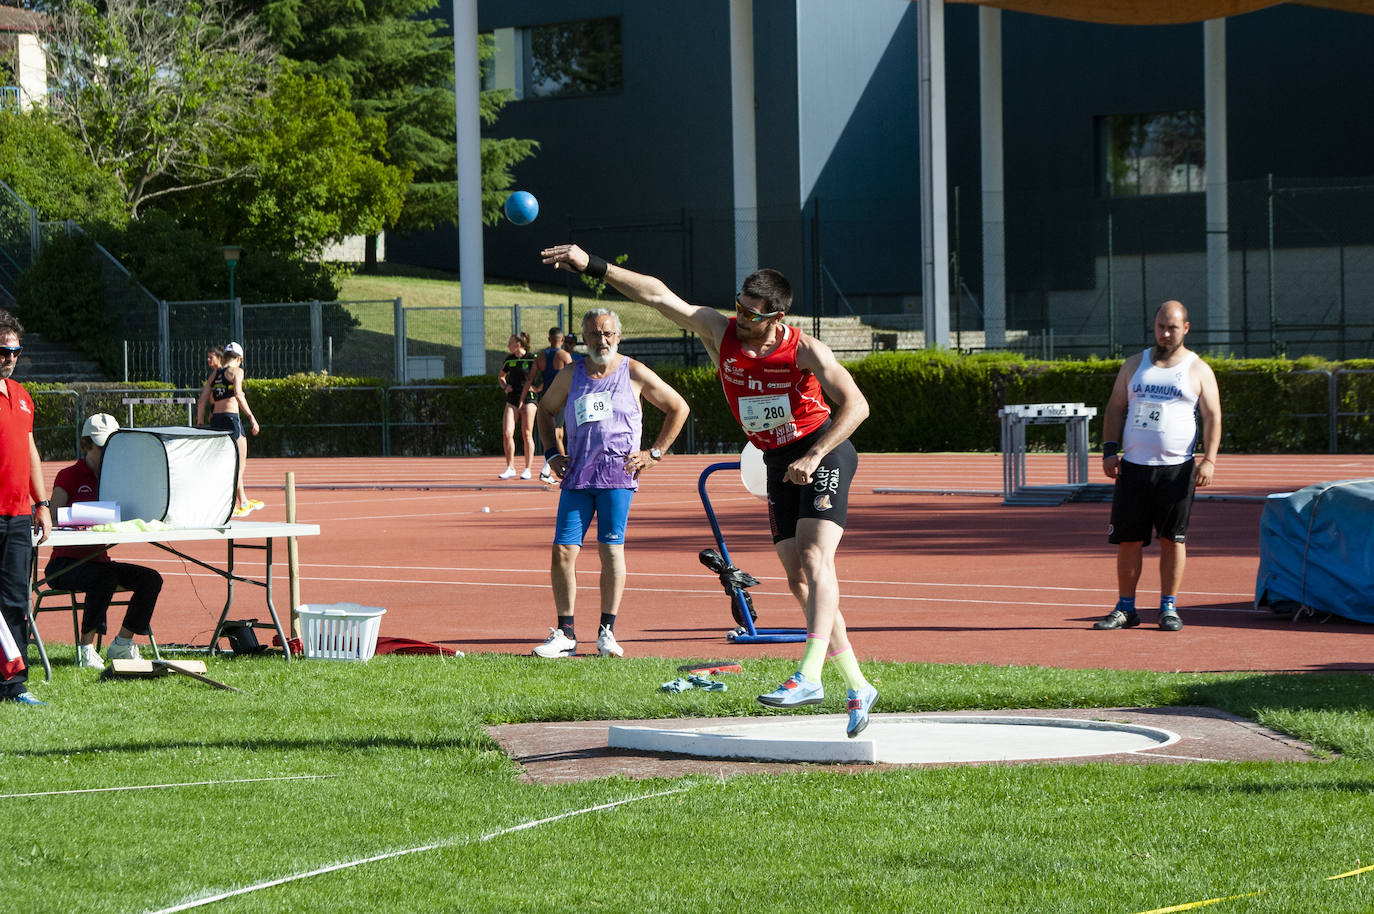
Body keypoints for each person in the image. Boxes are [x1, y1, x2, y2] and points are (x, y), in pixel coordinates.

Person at [540, 244, 879, 737]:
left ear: (776, 316)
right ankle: (857, 684)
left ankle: (808, 675)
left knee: (813, 560)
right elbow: (658, 295)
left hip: (821, 452)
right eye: (737, 305)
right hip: (777, 460)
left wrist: (812, 454)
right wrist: (592, 264)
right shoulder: (721, 332)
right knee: (798, 580)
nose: (738, 316)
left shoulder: (805, 349)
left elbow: (857, 406)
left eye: (750, 312)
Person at [530, 308, 689, 659]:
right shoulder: (572, 374)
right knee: (562, 551)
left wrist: (655, 453)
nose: (601, 340)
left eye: (607, 333)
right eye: (593, 334)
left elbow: (679, 407)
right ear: (583, 338)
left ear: (618, 336)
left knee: (610, 551)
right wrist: (550, 453)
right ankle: (566, 632)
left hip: (617, 476)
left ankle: (606, 632)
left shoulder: (634, 372)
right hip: (577, 476)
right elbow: (545, 411)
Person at [1094, 300, 1222, 633]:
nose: (1165, 333)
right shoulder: (1134, 365)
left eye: (1173, 328)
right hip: (1134, 467)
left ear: (1186, 329)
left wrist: (1209, 459)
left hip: (1176, 470)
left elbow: (1212, 416)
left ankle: (1168, 607)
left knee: (1172, 540)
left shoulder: (1198, 369)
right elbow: (1114, 408)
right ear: (1154, 326)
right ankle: (1126, 608)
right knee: (1129, 541)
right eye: (1160, 326)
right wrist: (1109, 452)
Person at [45, 414, 162, 669]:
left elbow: (132, 512)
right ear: (86, 445)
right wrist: (98, 514)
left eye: (112, 446)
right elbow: (53, 515)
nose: (108, 452)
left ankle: (122, 643)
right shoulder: (69, 475)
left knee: (151, 579)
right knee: (104, 577)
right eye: (102, 446)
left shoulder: (121, 478)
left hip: (100, 564)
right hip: (64, 565)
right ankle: (86, 650)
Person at [0, 309, 51, 705]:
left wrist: (43, 502)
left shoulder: (22, 397)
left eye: (15, 351)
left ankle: (14, 685)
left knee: (16, 601)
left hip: (18, 516)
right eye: (2, 350)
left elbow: (31, 452)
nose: (9, 357)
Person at [198, 341, 260, 515]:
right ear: (239, 359)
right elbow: (239, 395)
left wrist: (200, 423)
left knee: (222, 463)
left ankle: (243, 501)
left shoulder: (214, 374)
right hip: (231, 419)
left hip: (216, 421)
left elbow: (202, 400)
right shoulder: (237, 371)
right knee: (240, 463)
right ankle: (233, 505)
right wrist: (252, 418)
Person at [523, 327, 575, 482]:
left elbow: (530, 379)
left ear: (549, 339)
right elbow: (575, 378)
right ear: (562, 340)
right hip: (561, 400)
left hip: (546, 400)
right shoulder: (565, 356)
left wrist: (522, 399)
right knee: (558, 434)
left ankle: (548, 469)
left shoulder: (540, 357)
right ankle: (561, 468)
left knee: (552, 434)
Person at [497, 332, 538, 480]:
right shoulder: (509, 360)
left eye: (510, 343)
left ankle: (527, 469)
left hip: (528, 398)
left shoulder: (533, 358)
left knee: (527, 433)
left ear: (518, 344)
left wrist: (539, 388)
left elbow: (545, 374)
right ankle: (510, 467)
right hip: (512, 399)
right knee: (507, 433)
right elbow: (501, 376)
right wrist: (505, 386)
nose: (508, 345)